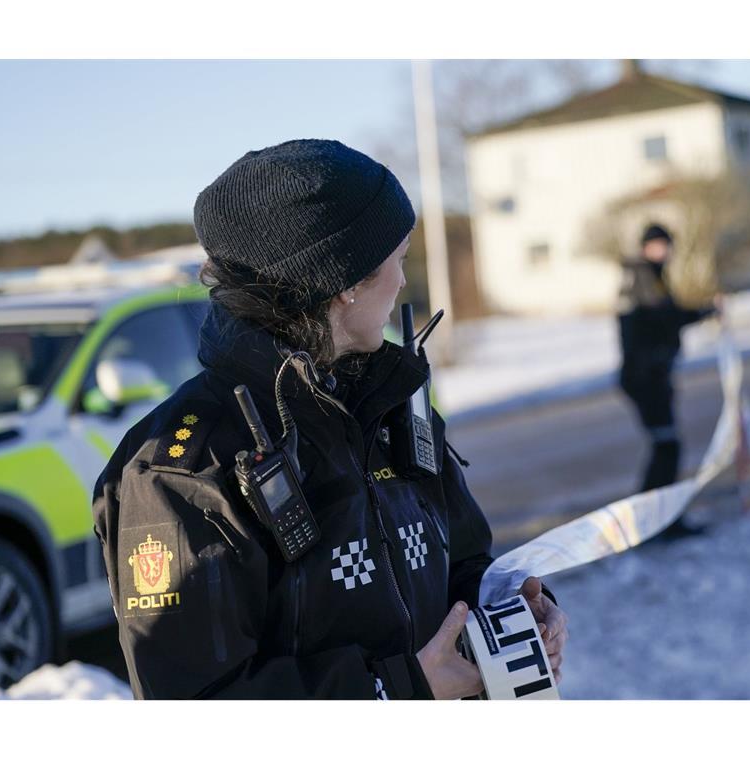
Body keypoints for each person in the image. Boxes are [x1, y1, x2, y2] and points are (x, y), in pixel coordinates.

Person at [92, 139, 568, 699]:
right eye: (399, 259)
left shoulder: (394, 401)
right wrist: (397, 691)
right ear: (343, 282)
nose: (401, 281)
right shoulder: (185, 469)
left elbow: (462, 559)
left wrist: (513, 612)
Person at [616, 223, 716, 536]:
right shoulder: (642, 279)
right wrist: (703, 311)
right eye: (657, 245)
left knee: (665, 447)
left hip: (654, 376)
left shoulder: (652, 277)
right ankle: (656, 521)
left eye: (666, 244)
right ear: (646, 247)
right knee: (667, 447)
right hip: (646, 379)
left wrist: (704, 311)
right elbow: (663, 319)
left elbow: (668, 318)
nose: (663, 251)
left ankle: (652, 521)